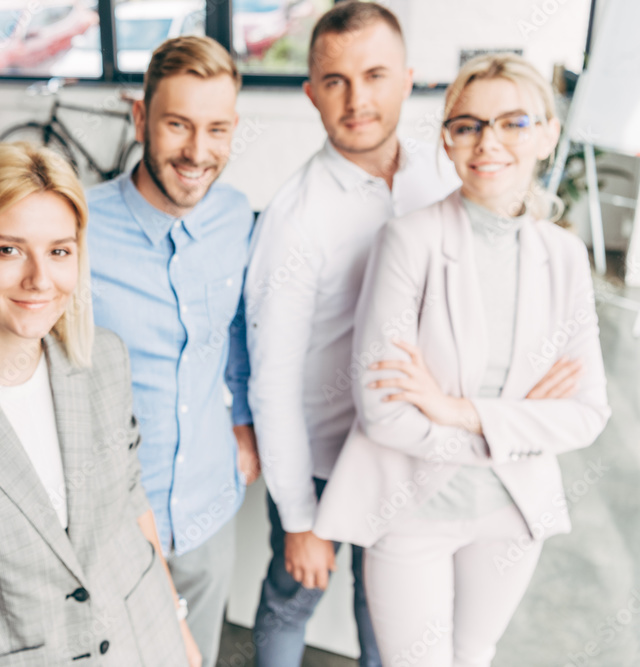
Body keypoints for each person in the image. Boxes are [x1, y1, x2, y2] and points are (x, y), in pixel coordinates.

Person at [312, 53, 611, 666]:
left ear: (548, 135)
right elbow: (384, 414)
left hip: (511, 514)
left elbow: (585, 415)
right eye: (468, 124)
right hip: (413, 510)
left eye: (513, 123)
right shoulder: (410, 240)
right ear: (448, 141)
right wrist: (515, 423)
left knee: (475, 654)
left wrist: (456, 410)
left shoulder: (563, 256)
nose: (488, 141)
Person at [0, 142, 199, 667]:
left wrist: (178, 628)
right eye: (9, 250)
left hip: (146, 639)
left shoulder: (104, 359)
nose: (39, 279)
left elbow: (133, 505)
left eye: (59, 251)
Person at [244, 3, 457, 664]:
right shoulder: (295, 219)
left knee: (387, 604)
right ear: (311, 93)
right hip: (325, 455)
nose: (357, 98)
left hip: (411, 445)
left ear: (408, 79)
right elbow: (271, 380)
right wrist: (302, 520)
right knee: (291, 596)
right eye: (335, 81)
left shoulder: (441, 175)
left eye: (374, 74)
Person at [86, 35, 258, 666]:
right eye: (178, 125)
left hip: (211, 507)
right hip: (115, 524)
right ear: (141, 119)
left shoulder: (237, 216)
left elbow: (239, 330)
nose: (197, 151)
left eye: (217, 129)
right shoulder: (76, 228)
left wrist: (242, 424)